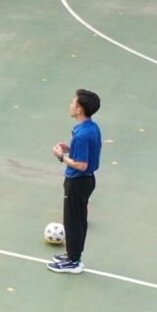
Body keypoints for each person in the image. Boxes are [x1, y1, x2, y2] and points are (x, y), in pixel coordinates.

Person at [49, 89, 103, 274]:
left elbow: (81, 164)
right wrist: (70, 148)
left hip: (78, 182)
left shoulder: (82, 134)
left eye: (74, 103)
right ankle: (72, 255)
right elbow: (86, 152)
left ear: (80, 109)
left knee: (74, 221)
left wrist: (60, 156)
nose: (71, 105)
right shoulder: (91, 128)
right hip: (86, 180)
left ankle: (74, 261)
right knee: (76, 219)